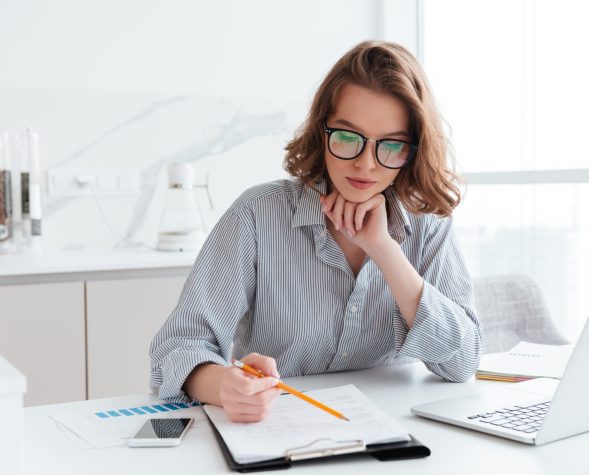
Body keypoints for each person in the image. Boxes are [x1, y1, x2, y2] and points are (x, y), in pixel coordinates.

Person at [150, 40, 483, 423]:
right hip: (279, 434)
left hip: (397, 437)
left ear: (413, 148)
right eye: (347, 137)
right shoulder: (257, 215)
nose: (365, 165)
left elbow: (463, 362)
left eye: (390, 146)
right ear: (321, 131)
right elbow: (175, 350)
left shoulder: (428, 223)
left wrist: (384, 250)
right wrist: (225, 385)